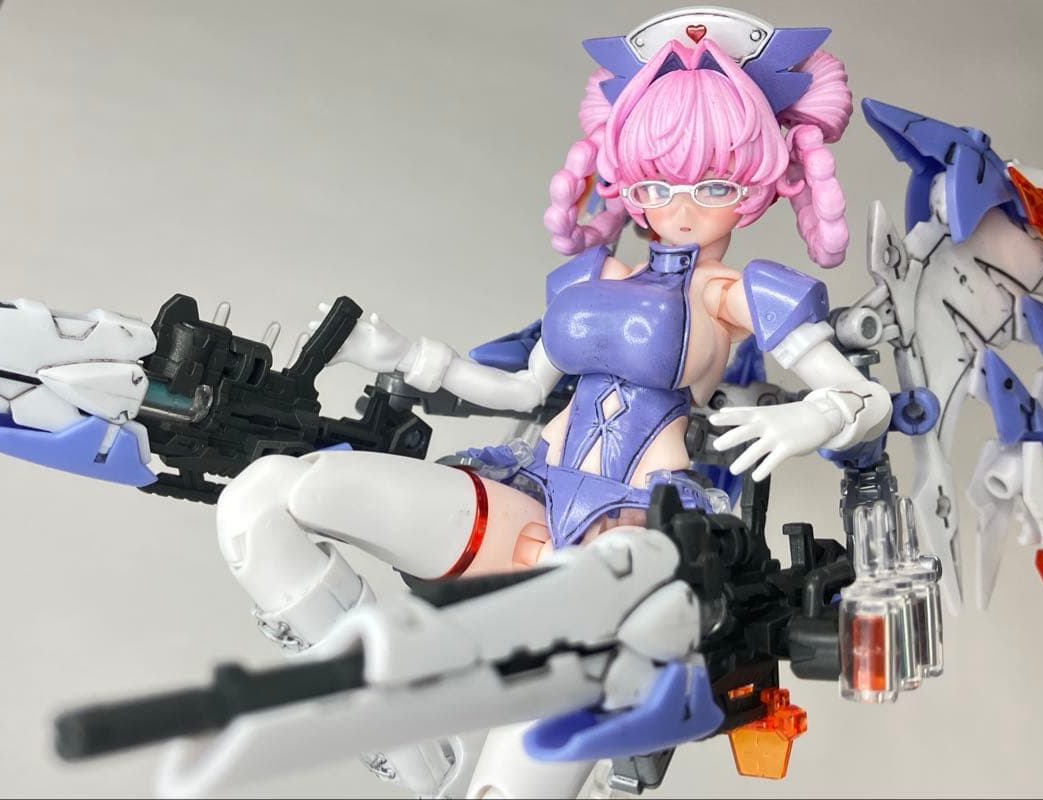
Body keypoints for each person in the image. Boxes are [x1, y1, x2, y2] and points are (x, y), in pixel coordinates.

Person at [214, 30, 891, 800]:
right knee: (265, 497)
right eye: (658, 183)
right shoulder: (589, 276)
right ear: (629, 179)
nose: (680, 207)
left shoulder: (739, 293)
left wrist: (808, 420)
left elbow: (866, 400)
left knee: (521, 756)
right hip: (531, 496)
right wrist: (401, 354)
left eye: (713, 185)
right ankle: (393, 730)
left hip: (630, 532)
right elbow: (519, 392)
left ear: (757, 184)